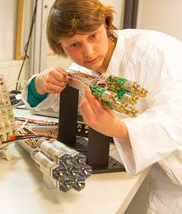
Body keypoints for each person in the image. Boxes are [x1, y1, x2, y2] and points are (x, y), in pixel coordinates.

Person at [21, 0, 182, 213]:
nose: (88, 53)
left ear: (106, 25)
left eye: (93, 36)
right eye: (74, 44)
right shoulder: (83, 67)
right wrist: (40, 84)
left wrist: (119, 129)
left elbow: (175, 117)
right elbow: (52, 102)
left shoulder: (154, 50)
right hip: (161, 170)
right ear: (61, 45)